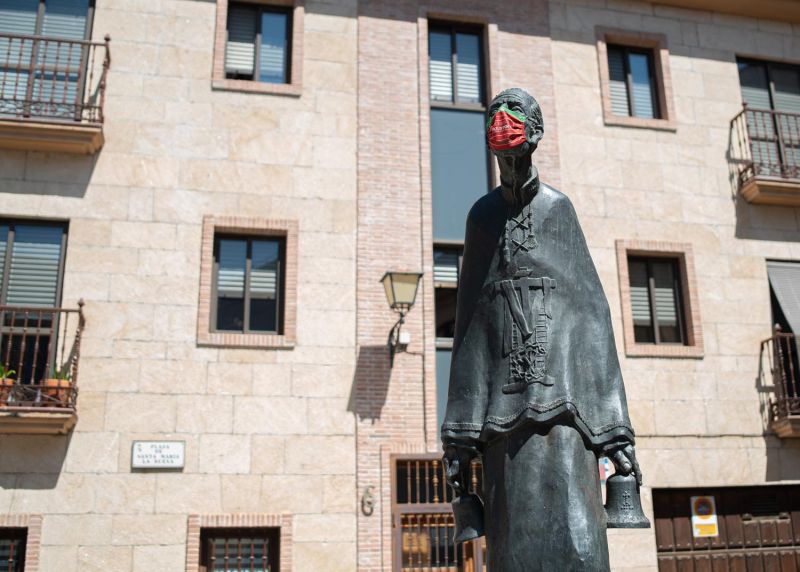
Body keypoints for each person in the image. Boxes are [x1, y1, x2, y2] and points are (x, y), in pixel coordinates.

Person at [441, 87, 641, 571]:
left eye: (513, 118)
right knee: (513, 552)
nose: (503, 127)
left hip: (564, 414)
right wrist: (459, 435)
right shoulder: (481, 219)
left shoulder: (558, 210)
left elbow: (591, 316)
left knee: (579, 544)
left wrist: (614, 431)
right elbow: (468, 325)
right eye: (495, 119)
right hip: (502, 424)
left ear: (536, 134)